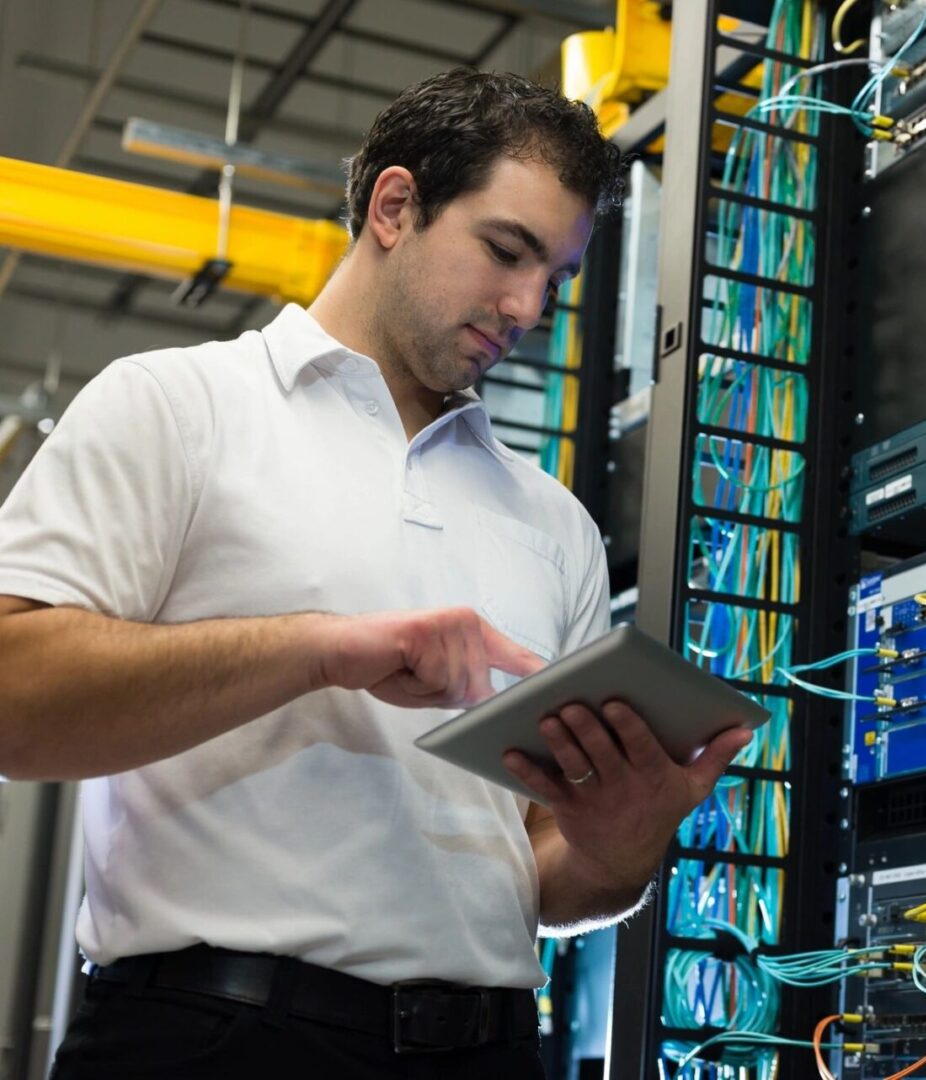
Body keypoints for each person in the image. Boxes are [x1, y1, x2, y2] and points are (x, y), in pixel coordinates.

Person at [0, 69, 751, 1079]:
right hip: (211, 1040)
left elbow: (539, 872)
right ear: (395, 205)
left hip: (487, 1049)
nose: (527, 305)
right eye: (506, 250)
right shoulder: (179, 407)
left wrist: (619, 844)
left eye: (557, 279)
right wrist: (321, 649)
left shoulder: (554, 525)